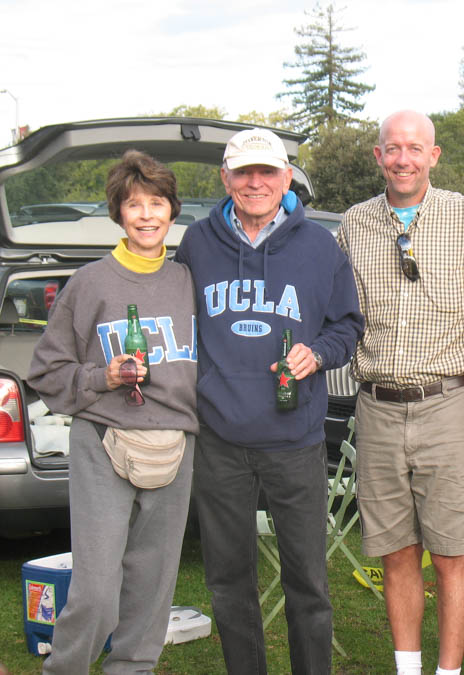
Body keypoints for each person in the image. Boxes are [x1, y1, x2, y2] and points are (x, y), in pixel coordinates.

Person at [174, 128, 363, 674]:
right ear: (225, 179)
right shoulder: (198, 244)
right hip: (221, 441)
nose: (255, 183)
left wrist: (318, 355)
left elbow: (347, 327)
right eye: (243, 173)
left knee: (308, 583)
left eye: (267, 172)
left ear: (286, 179)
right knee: (229, 583)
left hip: (294, 439)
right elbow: (179, 324)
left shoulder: (319, 247)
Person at [28, 150, 198, 673]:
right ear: (118, 214)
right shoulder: (89, 284)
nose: (146, 215)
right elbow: (46, 373)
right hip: (103, 441)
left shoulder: (188, 281)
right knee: (97, 589)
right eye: (133, 205)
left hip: (176, 443)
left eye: (156, 203)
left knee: (152, 586)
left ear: (172, 211)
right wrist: (105, 376)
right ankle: (66, 668)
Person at [336, 110, 464, 675]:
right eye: (393, 148)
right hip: (375, 407)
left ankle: (447, 673)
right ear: (378, 156)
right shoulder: (354, 223)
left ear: (434, 155)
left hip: (448, 404)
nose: (404, 159)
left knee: (451, 551)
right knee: (397, 553)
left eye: (415, 148)